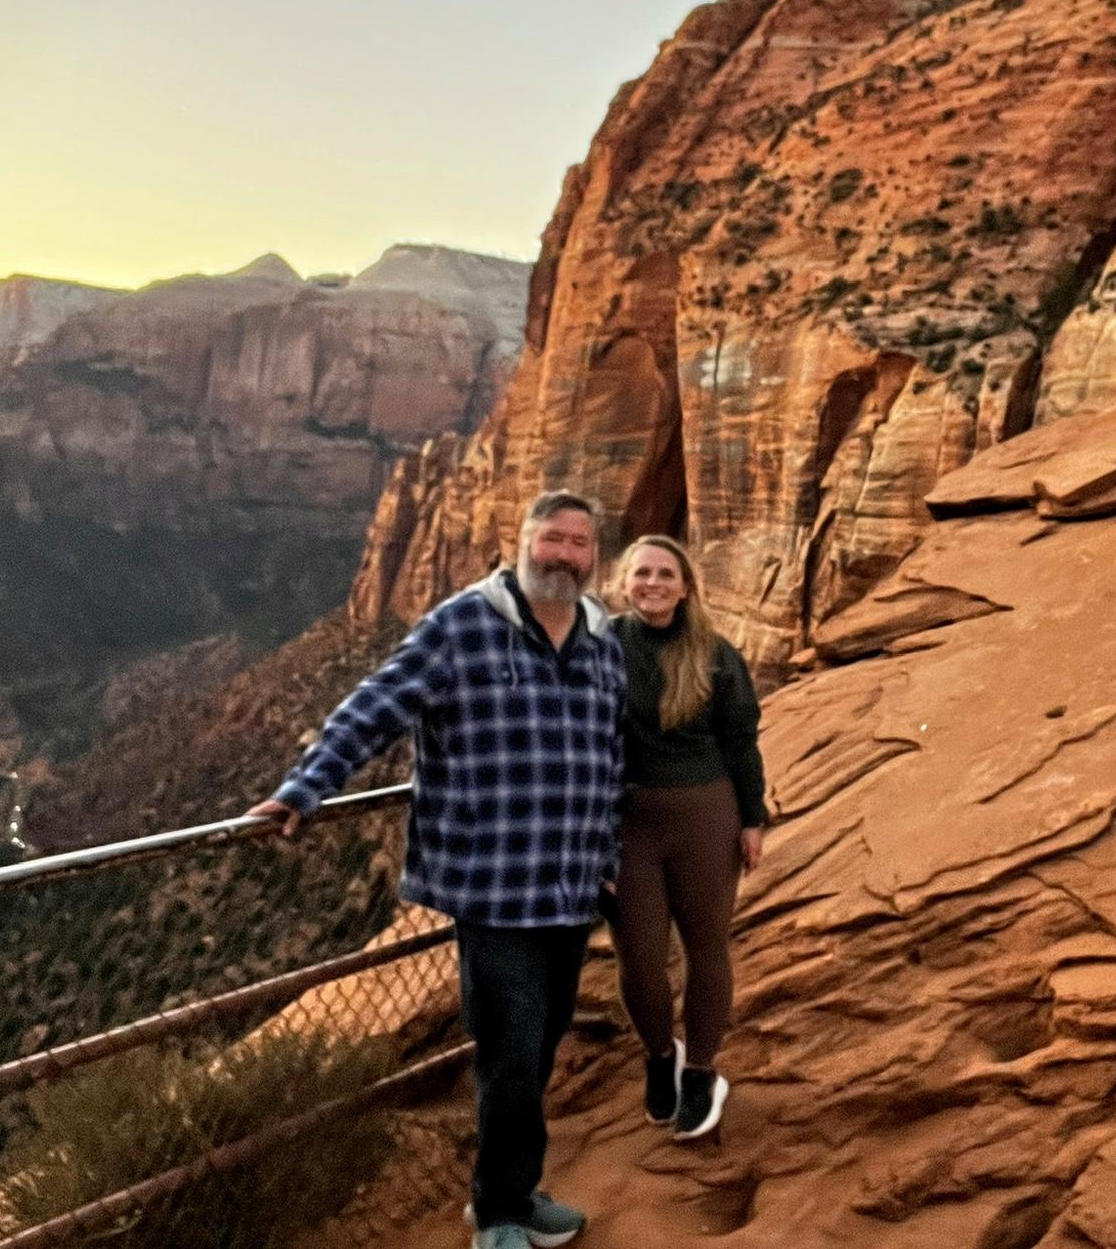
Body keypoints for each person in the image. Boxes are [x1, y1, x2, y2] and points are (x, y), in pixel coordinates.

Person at [247, 491, 624, 1249]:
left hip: (571, 885)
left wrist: (612, 858)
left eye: (578, 544)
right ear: (522, 544)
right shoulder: (464, 624)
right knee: (510, 1055)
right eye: (550, 539)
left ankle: (519, 1191)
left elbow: (612, 756)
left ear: (593, 556)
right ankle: (496, 1216)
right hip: (493, 887)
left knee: (542, 1046)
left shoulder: (601, 640)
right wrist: (304, 788)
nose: (563, 555)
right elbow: (372, 706)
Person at [609, 535, 766, 1141]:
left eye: (665, 573)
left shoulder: (716, 655)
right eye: (641, 573)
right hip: (627, 824)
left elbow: (740, 743)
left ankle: (700, 1072)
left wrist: (752, 818)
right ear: (625, 583)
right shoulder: (601, 649)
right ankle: (659, 1057)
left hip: (707, 816)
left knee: (706, 949)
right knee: (640, 959)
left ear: (685, 585)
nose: (653, 583)